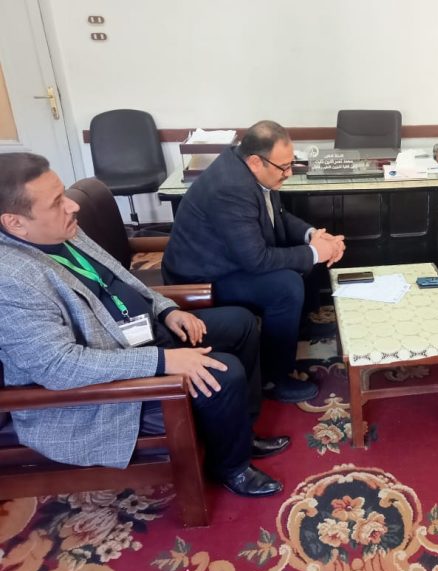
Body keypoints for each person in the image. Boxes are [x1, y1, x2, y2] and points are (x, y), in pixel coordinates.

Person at [0, 152, 288, 497]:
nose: (72, 206)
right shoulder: (12, 278)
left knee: (240, 322)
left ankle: (241, 432)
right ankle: (232, 468)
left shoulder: (61, 231)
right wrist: (163, 361)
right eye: (57, 202)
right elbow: (58, 367)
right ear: (15, 223)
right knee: (223, 373)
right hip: (99, 393)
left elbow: (123, 279)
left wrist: (167, 311)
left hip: (137, 333)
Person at [162, 121, 345, 403]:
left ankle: (298, 328)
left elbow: (278, 216)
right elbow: (257, 260)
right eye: (284, 167)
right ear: (256, 161)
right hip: (201, 277)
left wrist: (311, 235)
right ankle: (276, 378)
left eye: (291, 164)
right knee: (286, 285)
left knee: (302, 255)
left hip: (229, 260)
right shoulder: (230, 187)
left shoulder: (252, 169)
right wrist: (315, 253)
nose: (289, 173)